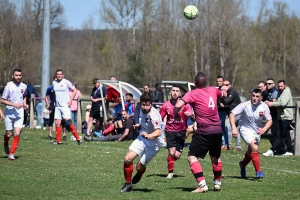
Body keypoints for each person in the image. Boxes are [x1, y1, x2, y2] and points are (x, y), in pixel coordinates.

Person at [174, 72, 226, 193]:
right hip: (217, 129)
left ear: (194, 83)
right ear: (206, 82)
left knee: (192, 157)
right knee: (216, 157)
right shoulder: (213, 90)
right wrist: (224, 89)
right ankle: (217, 183)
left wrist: (176, 113)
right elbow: (224, 94)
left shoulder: (192, 93)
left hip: (204, 130)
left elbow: (178, 105)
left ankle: (202, 185)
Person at [120, 93, 164, 192]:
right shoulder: (141, 108)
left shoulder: (154, 115)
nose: (145, 107)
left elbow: (158, 131)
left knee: (139, 167)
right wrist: (139, 126)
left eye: (147, 105)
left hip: (154, 143)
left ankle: (140, 173)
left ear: (151, 104)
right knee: (127, 159)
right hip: (142, 137)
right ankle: (128, 184)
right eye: (143, 104)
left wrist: (148, 136)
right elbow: (146, 123)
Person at [229, 89, 272, 179]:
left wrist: (264, 129)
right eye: (253, 96)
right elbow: (232, 114)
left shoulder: (264, 106)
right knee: (255, 147)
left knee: (251, 151)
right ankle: (258, 171)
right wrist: (233, 128)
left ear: (261, 98)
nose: (254, 98)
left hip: (257, 131)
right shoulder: (245, 105)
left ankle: (243, 164)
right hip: (245, 129)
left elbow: (270, 120)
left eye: (257, 97)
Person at [160, 85, 195, 179]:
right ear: (170, 92)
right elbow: (160, 118)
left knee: (177, 155)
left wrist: (190, 116)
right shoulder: (165, 105)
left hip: (182, 131)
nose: (175, 93)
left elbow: (193, 118)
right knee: (172, 152)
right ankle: (170, 172)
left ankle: (171, 160)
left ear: (180, 93)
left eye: (177, 91)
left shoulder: (185, 105)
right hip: (170, 130)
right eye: (173, 91)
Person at [2, 68, 28, 160]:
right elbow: (2, 100)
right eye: (16, 75)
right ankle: (5, 142)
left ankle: (11, 154)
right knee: (9, 134)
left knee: (17, 133)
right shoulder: (8, 86)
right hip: (9, 112)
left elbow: (24, 96)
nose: (18, 77)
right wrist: (13, 104)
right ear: (12, 76)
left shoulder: (24, 86)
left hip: (19, 113)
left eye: (19, 75)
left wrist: (24, 104)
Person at [264, 80, 294, 156]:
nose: (280, 88)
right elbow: (277, 101)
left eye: (281, 86)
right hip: (282, 116)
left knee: (279, 134)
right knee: (286, 135)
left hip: (286, 117)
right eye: (279, 86)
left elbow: (283, 103)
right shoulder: (281, 92)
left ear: (285, 85)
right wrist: (269, 102)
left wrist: (272, 104)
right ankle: (290, 151)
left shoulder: (286, 92)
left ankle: (272, 150)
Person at [52, 69, 82, 145]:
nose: (59, 75)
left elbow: (75, 90)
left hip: (65, 105)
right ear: (56, 75)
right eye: (57, 74)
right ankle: (58, 141)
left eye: (60, 74)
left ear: (63, 75)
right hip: (58, 106)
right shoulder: (54, 83)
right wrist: (55, 101)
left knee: (68, 122)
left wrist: (71, 100)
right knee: (57, 122)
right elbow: (55, 93)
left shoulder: (66, 82)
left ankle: (78, 138)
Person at [222, 80, 242, 150]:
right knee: (235, 128)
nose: (225, 86)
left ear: (230, 85)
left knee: (228, 127)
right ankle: (238, 146)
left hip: (237, 113)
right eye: (224, 85)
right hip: (231, 113)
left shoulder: (232, 92)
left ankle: (228, 145)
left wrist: (224, 94)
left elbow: (226, 102)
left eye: (227, 85)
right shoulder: (225, 92)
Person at [216, 75, 228, 150]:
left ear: (223, 81)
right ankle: (223, 143)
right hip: (219, 110)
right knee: (221, 127)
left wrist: (219, 102)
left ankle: (224, 144)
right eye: (217, 81)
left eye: (220, 81)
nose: (218, 82)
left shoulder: (224, 89)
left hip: (223, 111)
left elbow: (226, 100)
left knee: (221, 127)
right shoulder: (219, 89)